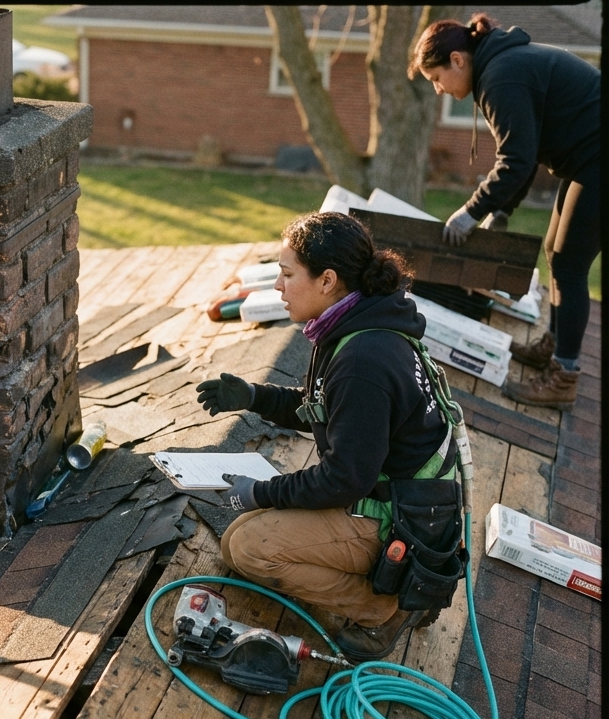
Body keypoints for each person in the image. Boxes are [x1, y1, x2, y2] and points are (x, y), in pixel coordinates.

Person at [196, 212, 459, 662]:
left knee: (246, 547)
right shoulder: (357, 325)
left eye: (286, 274)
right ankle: (388, 588)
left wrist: (259, 492)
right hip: (400, 500)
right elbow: (324, 406)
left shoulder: (364, 359)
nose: (278, 287)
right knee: (241, 534)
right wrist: (255, 396)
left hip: (400, 522)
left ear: (327, 280)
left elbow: (343, 479)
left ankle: (387, 607)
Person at [410, 13, 600, 409]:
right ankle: (556, 344)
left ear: (458, 60)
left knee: (569, 262)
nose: (439, 90)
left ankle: (563, 377)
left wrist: (471, 212)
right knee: (554, 250)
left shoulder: (501, 76)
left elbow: (515, 158)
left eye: (436, 79)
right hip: (587, 159)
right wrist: (503, 210)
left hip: (598, 159)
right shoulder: (500, 68)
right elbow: (526, 151)